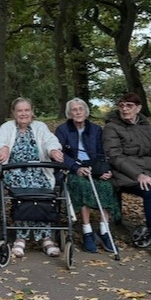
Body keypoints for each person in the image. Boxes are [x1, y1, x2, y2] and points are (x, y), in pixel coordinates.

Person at [103, 92, 151, 260]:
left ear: (138, 108)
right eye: (122, 105)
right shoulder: (112, 127)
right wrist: (138, 175)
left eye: (129, 106)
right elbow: (115, 157)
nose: (125, 109)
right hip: (126, 173)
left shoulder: (146, 127)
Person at [0, 97, 64, 258]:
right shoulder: (7, 127)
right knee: (24, 189)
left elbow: (50, 141)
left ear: (32, 112)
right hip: (14, 171)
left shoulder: (40, 127)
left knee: (43, 191)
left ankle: (45, 238)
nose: (23, 114)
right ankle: (20, 238)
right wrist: (3, 148)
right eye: (19, 111)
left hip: (39, 170)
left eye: (26, 110)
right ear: (14, 113)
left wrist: (53, 151)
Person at [55, 97, 121, 253]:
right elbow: (60, 154)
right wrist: (76, 168)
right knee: (82, 185)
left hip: (94, 169)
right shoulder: (62, 130)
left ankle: (104, 231)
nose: (78, 112)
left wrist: (103, 170)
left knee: (107, 186)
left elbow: (101, 153)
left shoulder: (96, 130)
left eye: (80, 109)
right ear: (69, 113)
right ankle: (87, 232)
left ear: (86, 111)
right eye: (74, 110)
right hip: (72, 170)